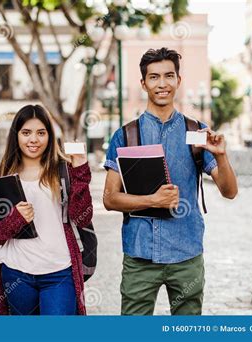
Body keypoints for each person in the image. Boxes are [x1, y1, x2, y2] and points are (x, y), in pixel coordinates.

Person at [103, 47, 238, 315]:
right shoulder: (125, 135)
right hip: (140, 255)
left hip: (186, 252)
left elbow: (229, 191)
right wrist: (153, 200)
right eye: (153, 77)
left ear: (179, 80)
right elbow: (109, 198)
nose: (162, 84)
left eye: (168, 75)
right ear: (143, 83)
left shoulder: (197, 133)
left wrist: (221, 156)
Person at [0, 104, 93, 315]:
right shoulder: (2, 176)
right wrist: (16, 218)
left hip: (59, 271)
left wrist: (80, 169)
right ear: (16, 135)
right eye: (26, 133)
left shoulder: (64, 170)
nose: (33, 139)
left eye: (41, 133)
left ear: (50, 136)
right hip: (16, 273)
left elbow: (82, 216)